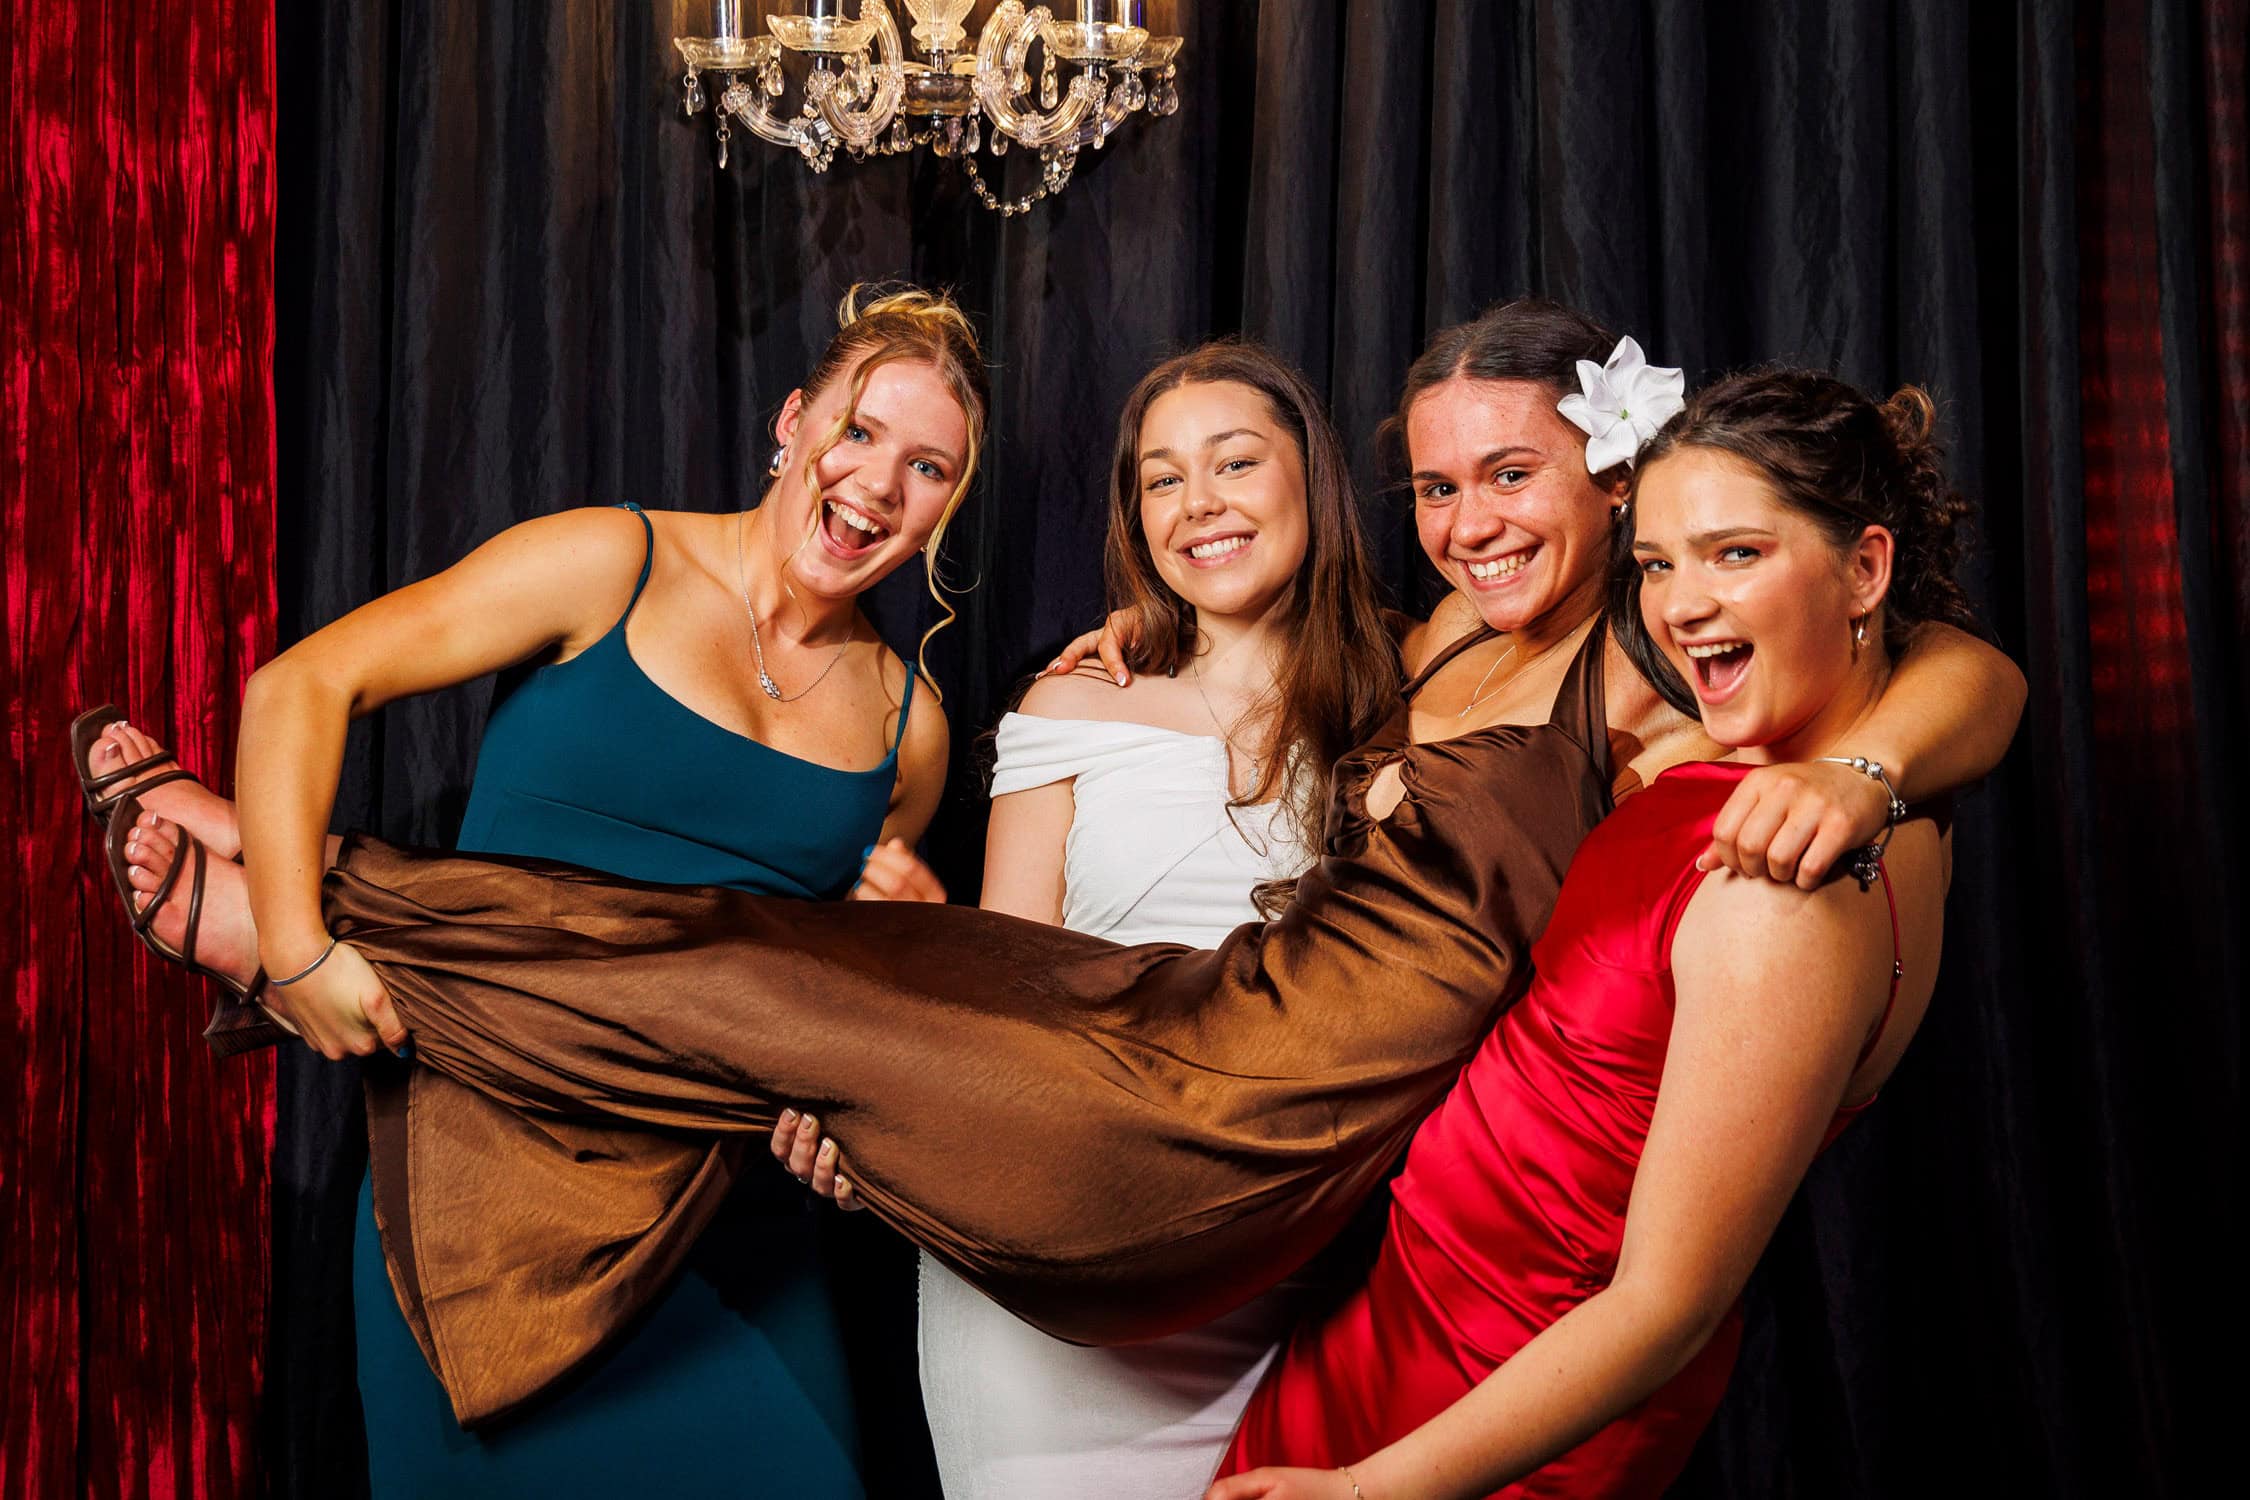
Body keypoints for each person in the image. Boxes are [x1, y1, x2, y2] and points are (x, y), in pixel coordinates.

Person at [95, 300, 2023, 1434]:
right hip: (1196, 1041)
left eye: (1514, 478)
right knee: (778, 967)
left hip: (1238, 1121)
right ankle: (337, 909)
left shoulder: (1656, 664)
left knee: (772, 975)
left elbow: (1968, 673)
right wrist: (1113, 691)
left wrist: (1860, 762)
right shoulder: (1427, 639)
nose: (1473, 520)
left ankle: (321, 910)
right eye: (1439, 486)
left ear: (1617, 484)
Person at [82, 286, 986, 1496]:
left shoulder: (907, 728)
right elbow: (300, 687)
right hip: (484, 1191)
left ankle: (324, 881)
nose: (879, 482)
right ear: (790, 423)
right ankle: (299, 903)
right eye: (860, 431)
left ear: (944, 510)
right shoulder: (611, 561)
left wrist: (869, 1051)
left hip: (717, 1231)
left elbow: (803, 982)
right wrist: (300, 957)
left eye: (927, 466)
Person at [1210, 369, 1975, 1500]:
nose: (1682, 604)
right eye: (1660, 564)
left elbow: (1669, 1305)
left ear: (1864, 569)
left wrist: (1376, 1490)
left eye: (1737, 554)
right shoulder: (1741, 760)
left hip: (1506, 1404)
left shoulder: (1793, 879)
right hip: (1390, 1317)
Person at [803, 339, 1396, 1497]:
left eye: (1235, 463)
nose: (1200, 505)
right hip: (1052, 1261)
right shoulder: (1075, 699)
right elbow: (1007, 995)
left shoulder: (1402, 702)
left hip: (1290, 1272)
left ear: (1310, 482)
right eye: (1162, 479)